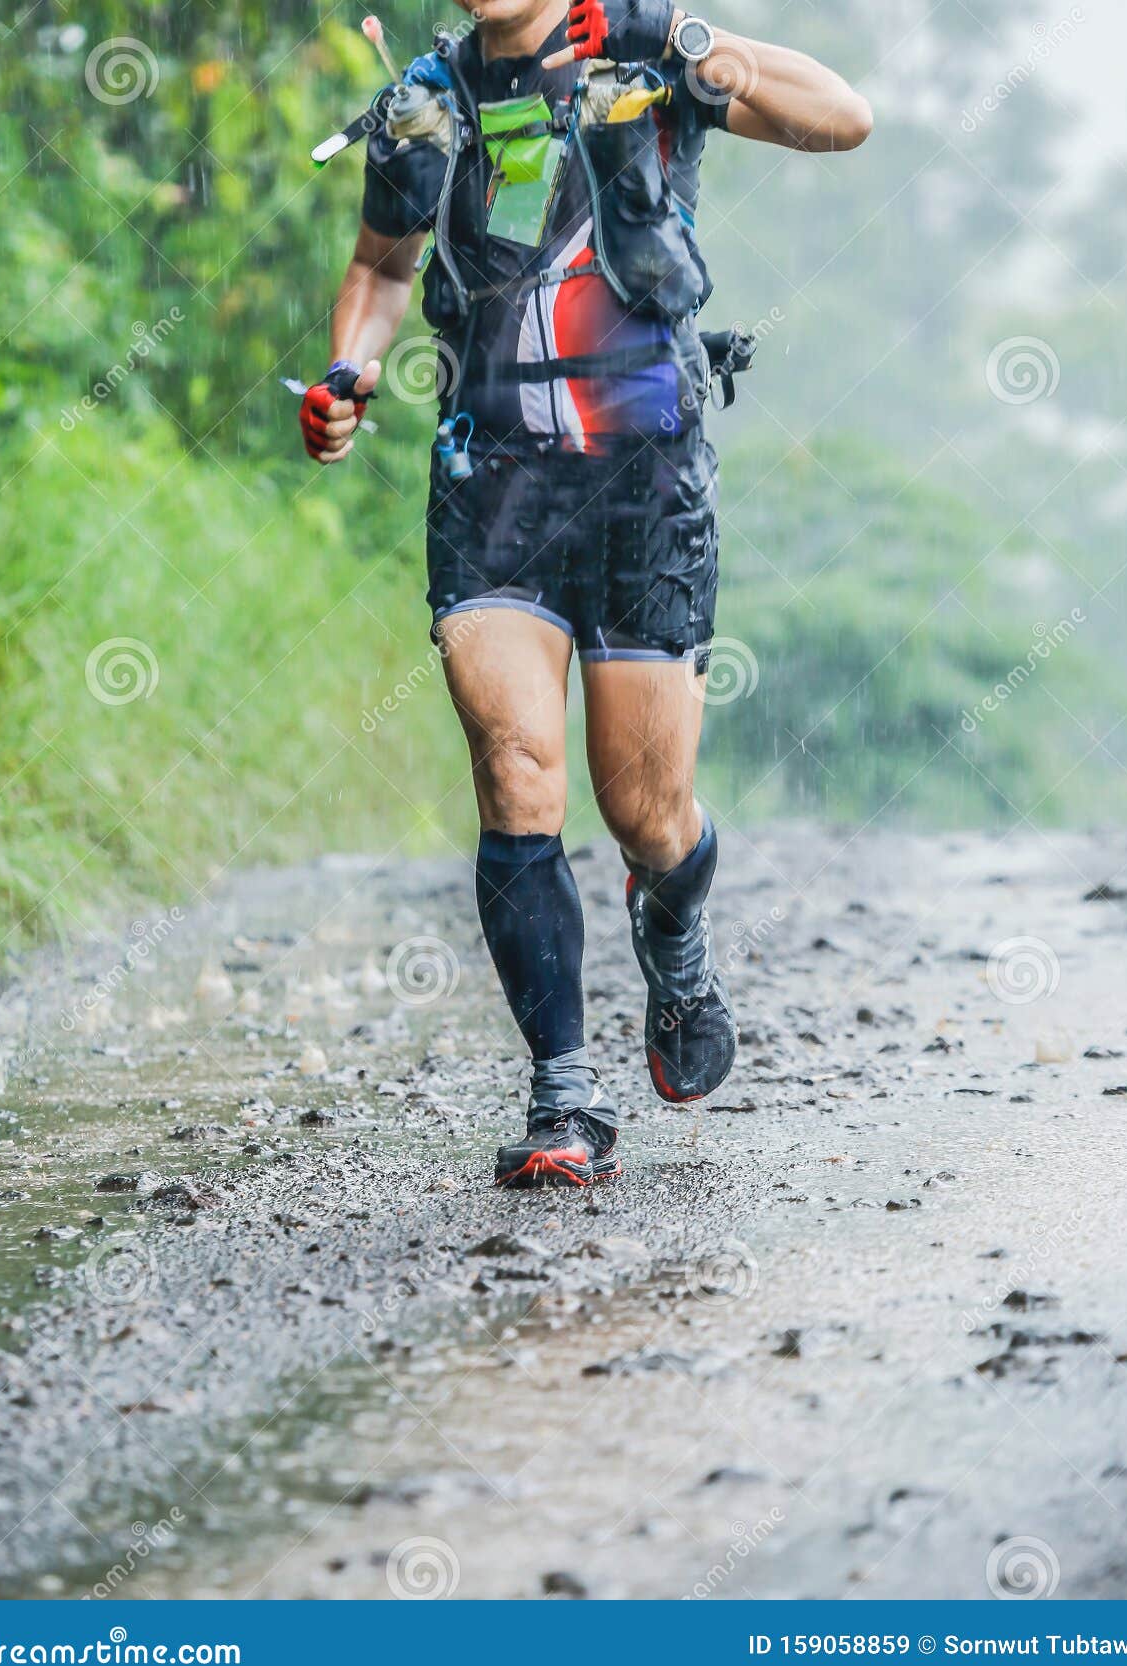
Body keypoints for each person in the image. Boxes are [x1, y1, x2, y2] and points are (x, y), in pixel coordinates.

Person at [299, 2, 872, 1189]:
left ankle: (670, 924)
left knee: (643, 810)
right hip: (489, 482)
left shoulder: (650, 59)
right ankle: (562, 1095)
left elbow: (843, 120)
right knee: (516, 769)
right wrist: (346, 370)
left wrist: (684, 36)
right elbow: (378, 266)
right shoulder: (425, 103)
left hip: (645, 480)